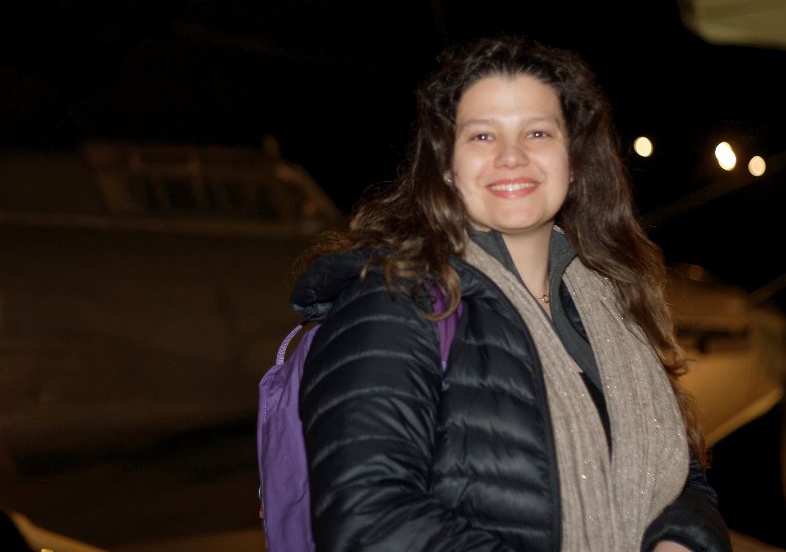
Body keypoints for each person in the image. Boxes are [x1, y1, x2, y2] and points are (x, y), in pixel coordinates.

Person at [291, 34, 732, 551]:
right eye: (482, 136)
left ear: (573, 158)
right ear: (447, 167)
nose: (511, 156)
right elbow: (366, 520)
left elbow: (679, 477)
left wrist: (680, 541)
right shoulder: (392, 304)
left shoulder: (613, 307)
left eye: (537, 132)